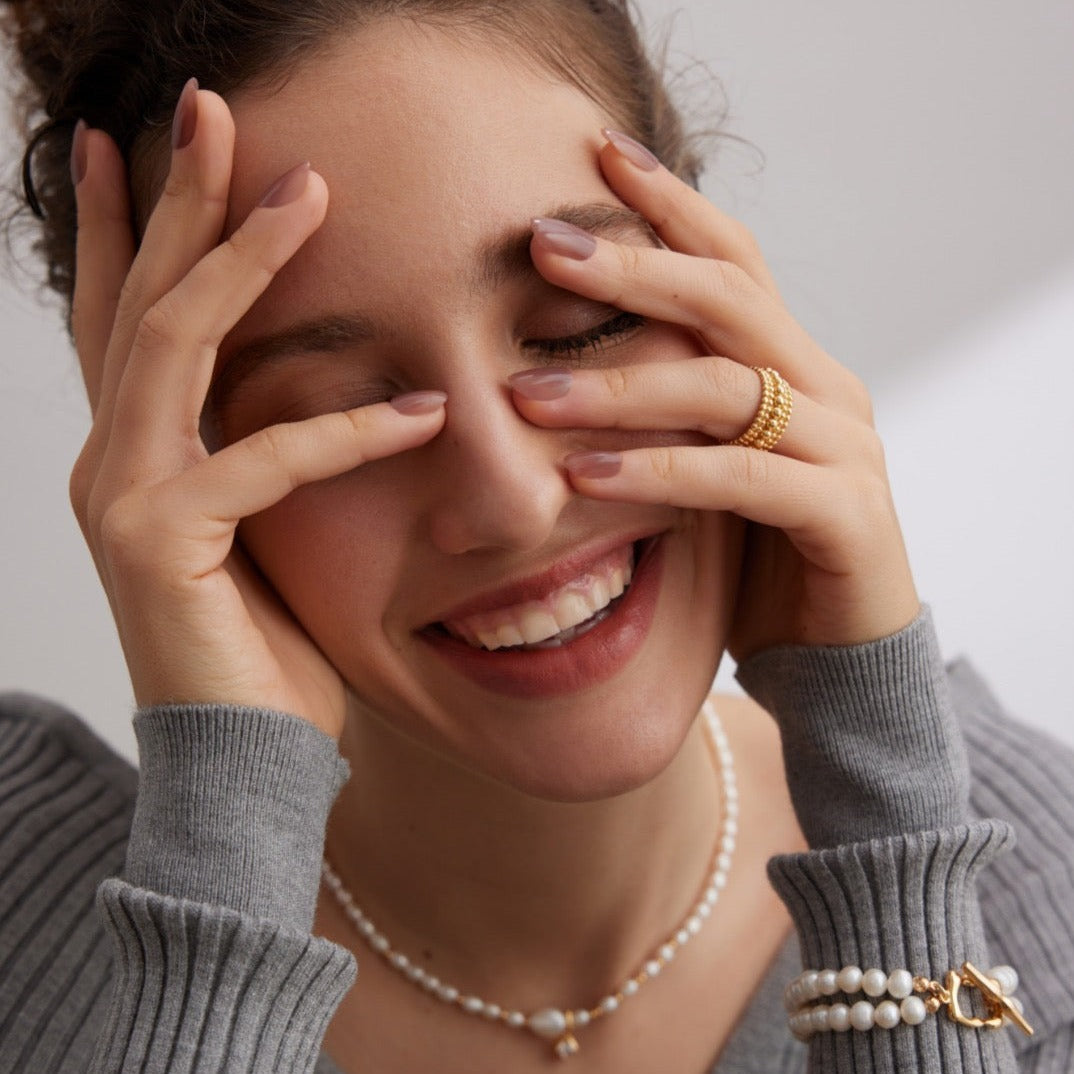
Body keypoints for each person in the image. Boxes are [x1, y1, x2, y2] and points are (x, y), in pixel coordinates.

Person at [1, 1, 1071, 1071]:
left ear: (721, 291)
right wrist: (221, 874)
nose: (511, 500)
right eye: (329, 414)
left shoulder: (1041, 907)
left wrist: (893, 854)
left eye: (582, 328)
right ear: (166, 462)